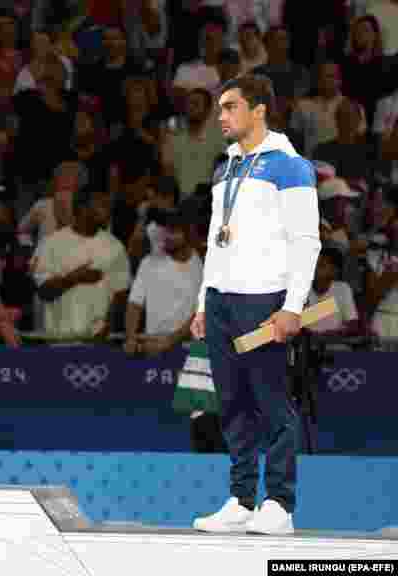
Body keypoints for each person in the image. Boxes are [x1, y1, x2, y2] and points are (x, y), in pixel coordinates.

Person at [190, 74, 320, 536]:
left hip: (264, 299)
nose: (221, 116)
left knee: (271, 404)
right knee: (232, 404)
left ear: (259, 109)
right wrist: (203, 299)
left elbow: (307, 241)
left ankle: (280, 504)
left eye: (230, 107)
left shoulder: (290, 165)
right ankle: (242, 499)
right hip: (222, 299)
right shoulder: (225, 166)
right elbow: (214, 238)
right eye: (221, 109)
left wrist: (292, 306)